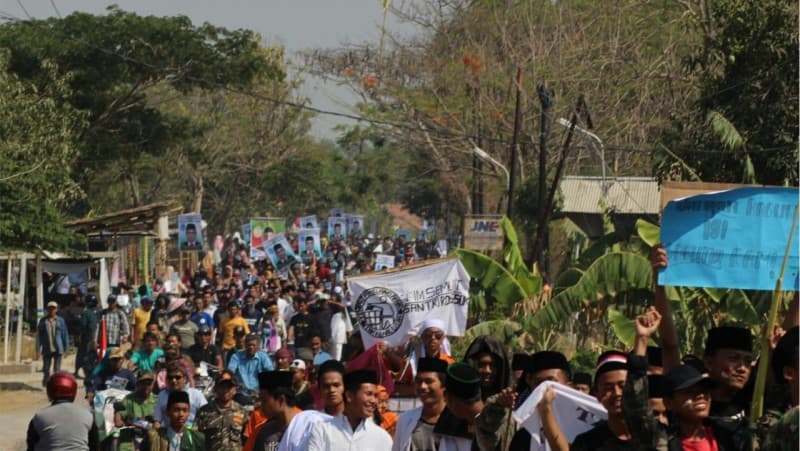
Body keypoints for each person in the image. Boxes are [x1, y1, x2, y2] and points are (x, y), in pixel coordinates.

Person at [624, 307, 754, 451]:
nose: (700, 396)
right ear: (669, 402)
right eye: (689, 392)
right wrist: (642, 339)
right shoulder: (661, 439)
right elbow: (635, 408)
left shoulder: (729, 437)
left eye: (704, 391)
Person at [307, 369, 393, 451]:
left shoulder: (382, 437)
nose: (373, 401)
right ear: (349, 396)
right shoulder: (323, 431)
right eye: (368, 394)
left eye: (375, 395)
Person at [570, 350, 635, 450]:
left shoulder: (657, 436)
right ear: (597, 395)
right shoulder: (585, 444)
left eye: (622, 386)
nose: (617, 393)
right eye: (608, 388)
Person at [509, 350, 572, 450]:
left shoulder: (584, 430)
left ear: (568, 387)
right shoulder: (524, 436)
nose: (544, 390)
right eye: (538, 384)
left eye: (550, 382)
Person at [27, 371, 97, 450]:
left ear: (49, 391)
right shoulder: (87, 415)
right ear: (73, 391)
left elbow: (31, 446)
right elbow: (94, 446)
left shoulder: (39, 417)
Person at [392, 357, 448, 451]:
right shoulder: (405, 420)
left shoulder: (457, 421)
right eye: (418, 381)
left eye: (429, 381)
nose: (422, 386)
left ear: (444, 386)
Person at [195, 370, 250, 451]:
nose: (225, 390)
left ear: (234, 389)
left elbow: (247, 441)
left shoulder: (242, 412)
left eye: (229, 386)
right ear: (215, 388)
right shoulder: (204, 412)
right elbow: (197, 439)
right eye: (222, 386)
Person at [253, 370, 300, 450]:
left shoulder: (305, 429)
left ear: (281, 400)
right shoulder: (265, 432)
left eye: (264, 400)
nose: (261, 406)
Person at [153, 361, 208, 427]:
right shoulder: (162, 395)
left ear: (184, 379)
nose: (174, 380)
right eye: (170, 377)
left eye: (177, 377)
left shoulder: (196, 394)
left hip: (192, 433)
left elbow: (206, 417)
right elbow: (157, 421)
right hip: (168, 433)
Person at [114, 370, 158, 451]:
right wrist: (120, 420)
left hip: (152, 437)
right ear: (137, 384)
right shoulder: (128, 399)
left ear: (153, 384)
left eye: (149, 383)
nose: (146, 386)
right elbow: (118, 418)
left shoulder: (157, 400)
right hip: (131, 438)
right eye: (142, 383)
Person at [463, 335, 511, 401]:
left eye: (493, 365)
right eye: (481, 365)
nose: (487, 371)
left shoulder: (511, 399)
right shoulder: (460, 402)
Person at [36, 301, 70, 386]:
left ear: (56, 310)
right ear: (47, 310)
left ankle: (56, 385)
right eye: (50, 308)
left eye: (53, 308)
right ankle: (46, 383)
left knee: (57, 369)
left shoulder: (60, 321)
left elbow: (65, 334)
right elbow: (39, 336)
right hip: (47, 348)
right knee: (46, 369)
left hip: (58, 348)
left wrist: (66, 348)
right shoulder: (43, 321)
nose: (52, 310)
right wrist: (37, 349)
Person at [75, 294, 101, 379]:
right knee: (93, 355)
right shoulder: (99, 312)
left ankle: (83, 372)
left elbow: (83, 325)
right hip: (97, 337)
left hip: (87, 338)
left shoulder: (86, 313)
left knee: (84, 355)